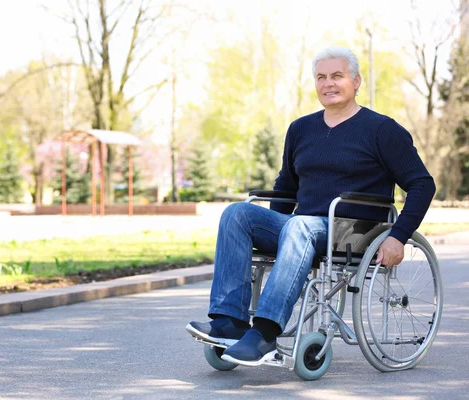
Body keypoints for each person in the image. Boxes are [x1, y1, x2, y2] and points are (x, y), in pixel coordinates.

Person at [186, 46, 436, 367]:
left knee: (298, 225)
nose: (328, 83)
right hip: (303, 228)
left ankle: (264, 333)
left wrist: (398, 236)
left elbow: (422, 184)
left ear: (356, 81)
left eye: (337, 76)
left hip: (355, 232)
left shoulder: (382, 130)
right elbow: (286, 188)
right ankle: (230, 322)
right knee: (238, 213)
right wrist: (274, 236)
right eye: (321, 77)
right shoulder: (301, 129)